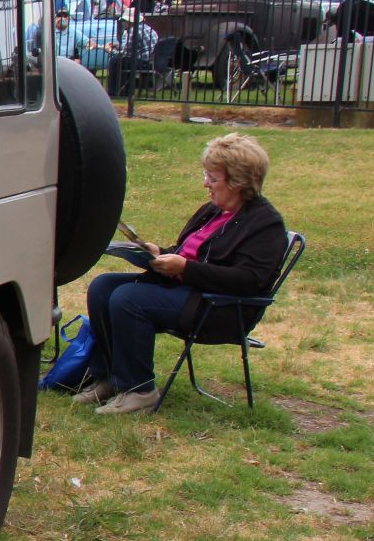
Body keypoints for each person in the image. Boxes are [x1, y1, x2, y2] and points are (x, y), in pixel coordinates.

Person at [72, 133, 287, 414]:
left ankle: (139, 390)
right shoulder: (214, 211)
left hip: (218, 306)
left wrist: (186, 269)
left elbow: (249, 281)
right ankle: (110, 378)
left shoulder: (265, 224)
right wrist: (158, 252)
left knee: (128, 298)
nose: (205, 183)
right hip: (187, 291)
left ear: (238, 181)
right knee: (103, 287)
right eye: (206, 175)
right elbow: (192, 251)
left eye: (213, 177)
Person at [107, 9, 158, 95]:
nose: (123, 23)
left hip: (142, 62)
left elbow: (125, 53)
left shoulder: (133, 31)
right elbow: (133, 47)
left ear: (130, 21)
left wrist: (110, 50)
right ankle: (125, 91)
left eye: (124, 21)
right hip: (151, 61)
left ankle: (113, 92)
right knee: (122, 61)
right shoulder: (148, 28)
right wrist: (117, 46)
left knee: (115, 61)